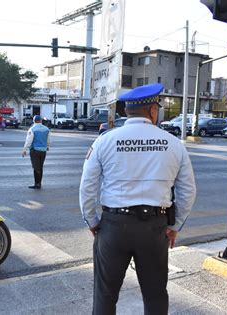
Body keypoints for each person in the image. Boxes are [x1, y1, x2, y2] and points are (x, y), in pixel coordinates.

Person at [79, 83, 196, 315]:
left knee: (105, 295)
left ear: (126, 111)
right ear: (153, 110)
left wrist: (92, 222)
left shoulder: (104, 141)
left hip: (113, 226)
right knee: (155, 295)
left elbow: (87, 187)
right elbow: (188, 191)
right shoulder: (173, 144)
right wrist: (174, 226)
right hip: (155, 229)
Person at [22, 115, 51, 189]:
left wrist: (24, 150)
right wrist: (47, 146)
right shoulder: (46, 129)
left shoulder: (32, 129)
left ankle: (36, 184)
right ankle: (39, 183)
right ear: (41, 121)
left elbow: (29, 141)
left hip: (35, 150)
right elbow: (48, 140)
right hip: (43, 150)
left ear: (34, 121)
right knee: (40, 167)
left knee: (36, 167)